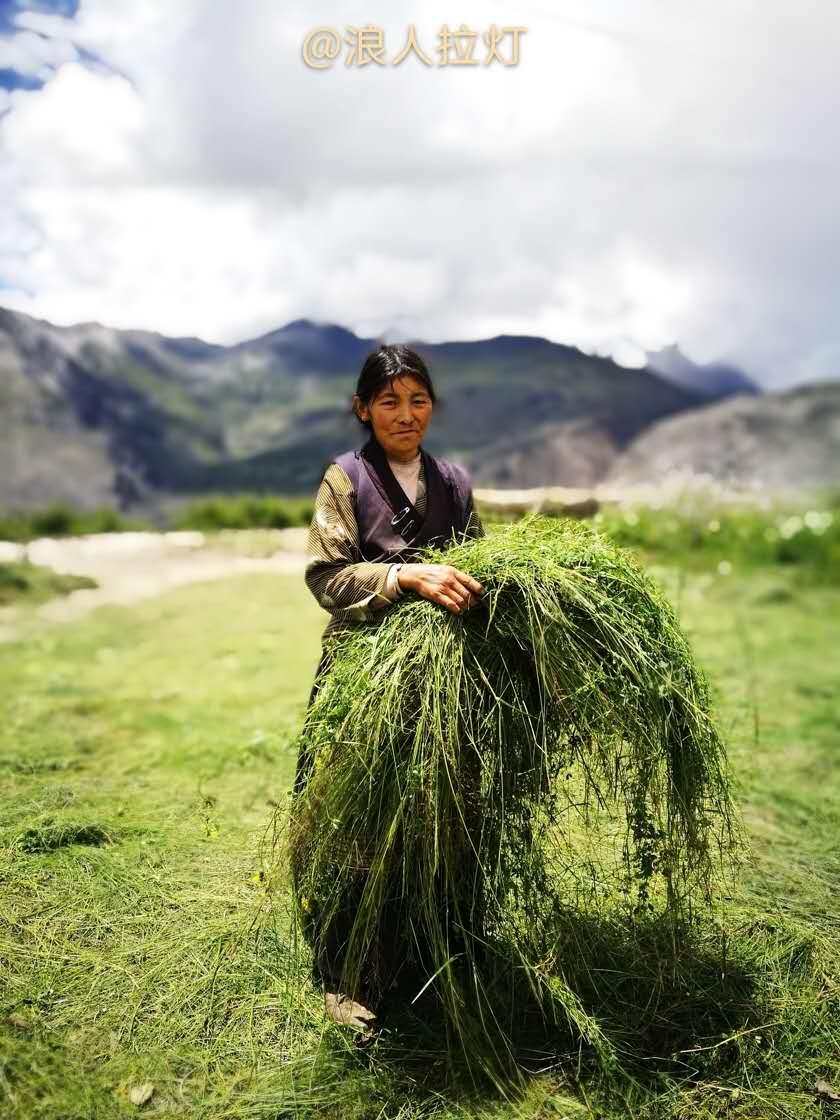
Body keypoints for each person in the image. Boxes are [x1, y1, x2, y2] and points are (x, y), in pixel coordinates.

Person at [293, 343, 486, 1036]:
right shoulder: (345, 480)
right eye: (389, 402)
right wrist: (403, 577)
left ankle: (436, 956)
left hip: (441, 686)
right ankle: (345, 974)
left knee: (443, 817)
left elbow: (477, 568)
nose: (406, 415)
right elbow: (326, 578)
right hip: (363, 681)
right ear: (362, 409)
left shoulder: (454, 483)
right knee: (357, 821)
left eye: (418, 400)